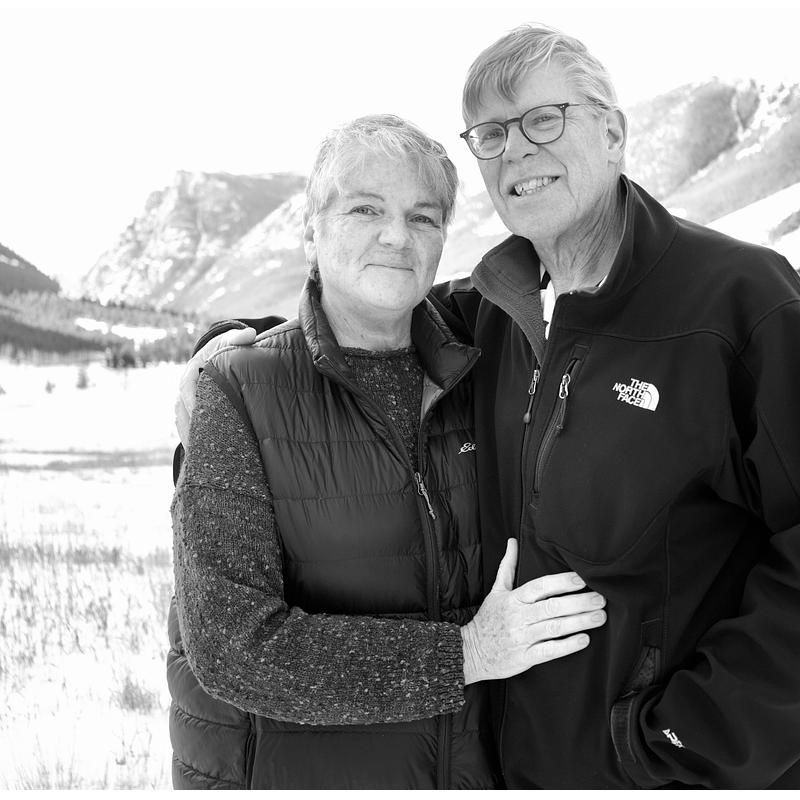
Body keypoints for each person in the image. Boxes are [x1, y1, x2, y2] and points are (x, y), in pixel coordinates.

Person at [177, 25, 800, 789]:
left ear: (613, 133)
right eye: (493, 134)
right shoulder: (492, 314)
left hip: (672, 772)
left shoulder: (738, 304)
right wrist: (226, 353)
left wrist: (695, 736)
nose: (518, 151)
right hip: (515, 770)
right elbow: (355, 316)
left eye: (545, 119)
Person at [168, 113, 608, 790]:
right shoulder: (239, 391)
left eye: (422, 217)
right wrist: (467, 653)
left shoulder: (478, 364)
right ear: (311, 230)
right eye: (365, 209)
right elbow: (234, 647)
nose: (397, 236)